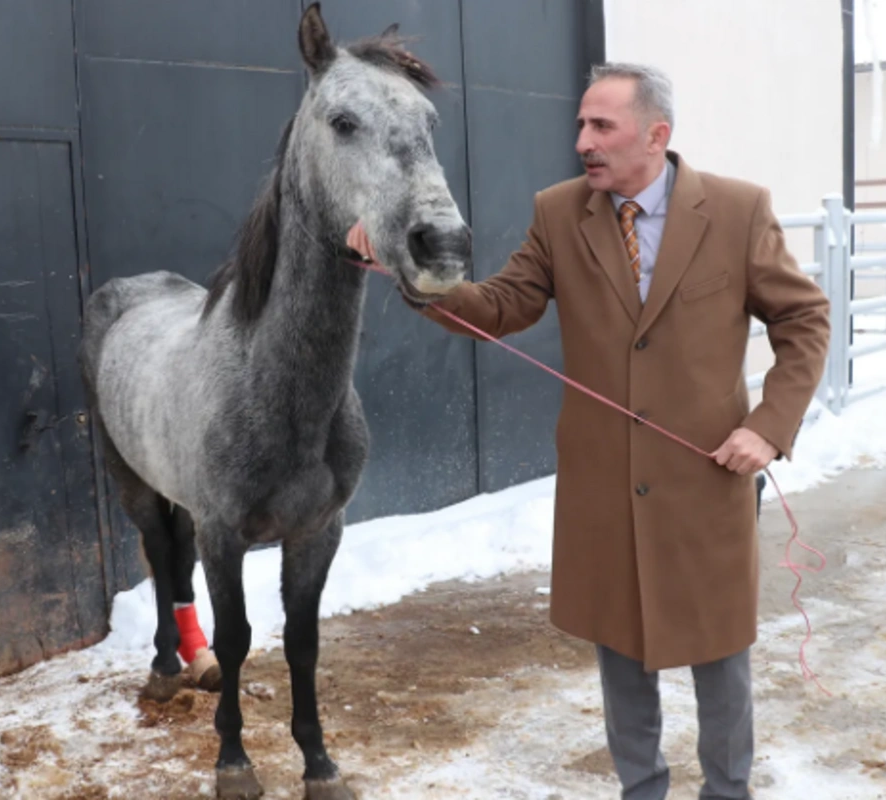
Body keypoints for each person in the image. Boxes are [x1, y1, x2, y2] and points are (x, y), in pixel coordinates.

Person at [348, 62, 830, 799]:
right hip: (603, 485)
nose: (582, 141)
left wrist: (768, 427)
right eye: (580, 124)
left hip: (707, 477)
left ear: (655, 134)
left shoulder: (736, 211)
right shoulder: (558, 212)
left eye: (601, 126)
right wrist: (408, 268)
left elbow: (802, 319)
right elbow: (502, 307)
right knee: (621, 653)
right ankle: (641, 789)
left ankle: (726, 791)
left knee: (719, 656)